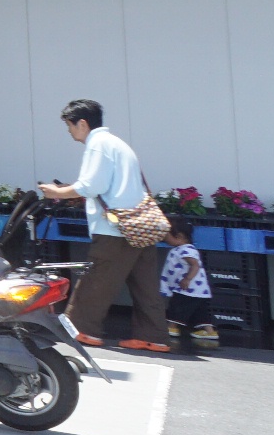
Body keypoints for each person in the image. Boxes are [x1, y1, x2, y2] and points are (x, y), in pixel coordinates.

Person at [37, 98, 168, 351]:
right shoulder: (119, 144)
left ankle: (83, 330)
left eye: (69, 126)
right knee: (145, 286)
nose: (69, 132)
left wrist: (57, 192)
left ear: (82, 123)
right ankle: (154, 337)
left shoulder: (97, 145)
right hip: (140, 226)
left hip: (114, 228)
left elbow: (92, 186)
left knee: (97, 279)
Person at [157, 212, 221, 354]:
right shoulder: (181, 249)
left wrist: (187, 279)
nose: (164, 239)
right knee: (200, 312)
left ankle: (172, 327)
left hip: (187, 288)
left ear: (179, 236)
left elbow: (195, 265)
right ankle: (209, 331)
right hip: (199, 290)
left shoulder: (185, 250)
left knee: (177, 307)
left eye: (166, 236)